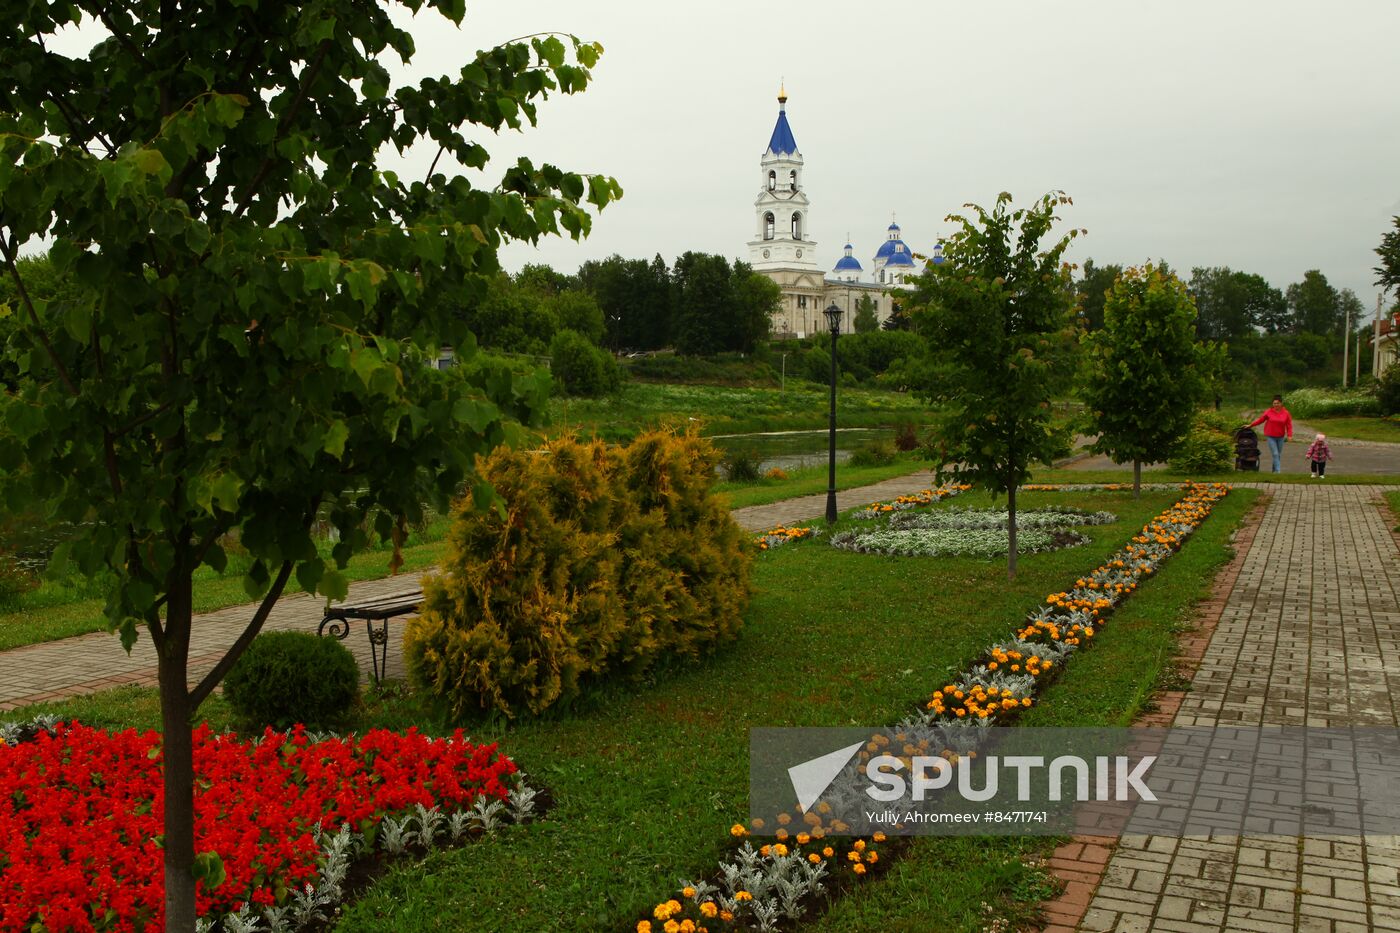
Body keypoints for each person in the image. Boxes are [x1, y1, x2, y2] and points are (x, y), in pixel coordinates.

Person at [1248, 395, 1293, 473]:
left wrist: (1289, 435)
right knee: (1275, 454)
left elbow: (1289, 425)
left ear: (1281, 404)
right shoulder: (1269, 411)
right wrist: (1250, 425)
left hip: (1280, 437)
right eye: (1274, 403)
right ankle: (1278, 472)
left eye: (1277, 403)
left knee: (1278, 455)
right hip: (1271, 436)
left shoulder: (1286, 413)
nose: (1276, 405)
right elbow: (1261, 420)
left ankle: (1274, 471)